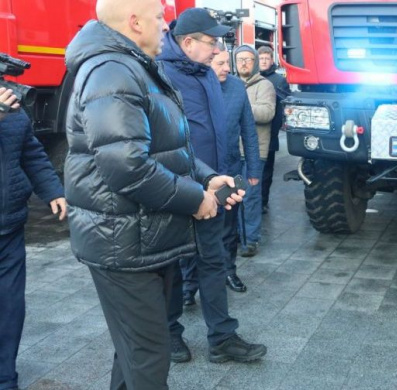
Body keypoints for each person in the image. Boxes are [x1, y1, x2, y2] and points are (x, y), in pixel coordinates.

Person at [63, 0, 244, 388]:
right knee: (148, 356)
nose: (166, 28)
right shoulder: (111, 71)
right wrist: (195, 199)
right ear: (134, 22)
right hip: (122, 243)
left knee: (136, 351)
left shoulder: (133, 67)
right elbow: (127, 165)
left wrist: (207, 178)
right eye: (160, 18)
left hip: (140, 237)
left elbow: (168, 148)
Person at [158, 7, 266, 364]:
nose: (219, 49)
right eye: (212, 41)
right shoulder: (160, 74)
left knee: (214, 259)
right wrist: (191, 185)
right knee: (173, 264)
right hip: (177, 187)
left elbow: (224, 130)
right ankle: (170, 334)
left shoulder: (206, 74)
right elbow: (163, 140)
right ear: (187, 42)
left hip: (214, 183)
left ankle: (222, 338)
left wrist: (223, 178)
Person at [0, 90, 65, 390]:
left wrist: (53, 190)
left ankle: (5, 376)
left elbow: (31, 152)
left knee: (10, 306)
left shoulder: (12, 107)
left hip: (10, 226)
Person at [210, 44, 263, 293]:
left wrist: (253, 170)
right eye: (219, 63)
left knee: (229, 228)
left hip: (231, 168)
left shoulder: (235, 87)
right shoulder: (195, 86)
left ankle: (229, 272)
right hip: (201, 170)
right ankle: (189, 285)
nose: (226, 68)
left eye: (226, 63)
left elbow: (248, 131)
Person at [234, 45, 276, 257]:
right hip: (233, 151)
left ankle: (251, 240)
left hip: (254, 154)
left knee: (250, 197)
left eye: (249, 59)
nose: (244, 63)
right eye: (240, 59)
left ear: (256, 62)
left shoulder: (265, 85)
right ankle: (236, 236)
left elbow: (266, 113)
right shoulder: (230, 84)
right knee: (233, 196)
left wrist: (239, 107)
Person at [258, 46, 291, 215]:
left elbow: (286, 102)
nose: (263, 61)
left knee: (266, 170)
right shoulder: (250, 77)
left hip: (270, 132)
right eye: (261, 58)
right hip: (251, 133)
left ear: (271, 61)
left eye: (266, 58)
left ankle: (263, 201)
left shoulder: (279, 81)